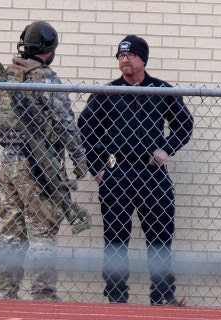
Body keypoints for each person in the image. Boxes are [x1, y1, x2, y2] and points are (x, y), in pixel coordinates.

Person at [77, 35, 194, 305]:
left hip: (153, 175)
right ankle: (116, 297)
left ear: (143, 59)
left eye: (129, 55)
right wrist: (97, 169)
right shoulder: (108, 93)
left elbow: (184, 126)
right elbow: (86, 132)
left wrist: (166, 149)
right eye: (120, 55)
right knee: (115, 240)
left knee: (161, 237)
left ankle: (162, 296)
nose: (124, 59)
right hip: (118, 174)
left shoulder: (162, 90)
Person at [0, 21, 90, 301]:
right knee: (43, 230)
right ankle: (43, 296)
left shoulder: (5, 76)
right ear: (48, 48)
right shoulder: (44, 77)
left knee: (12, 231)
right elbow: (66, 122)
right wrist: (80, 159)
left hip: (9, 163)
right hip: (38, 165)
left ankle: (4, 293)